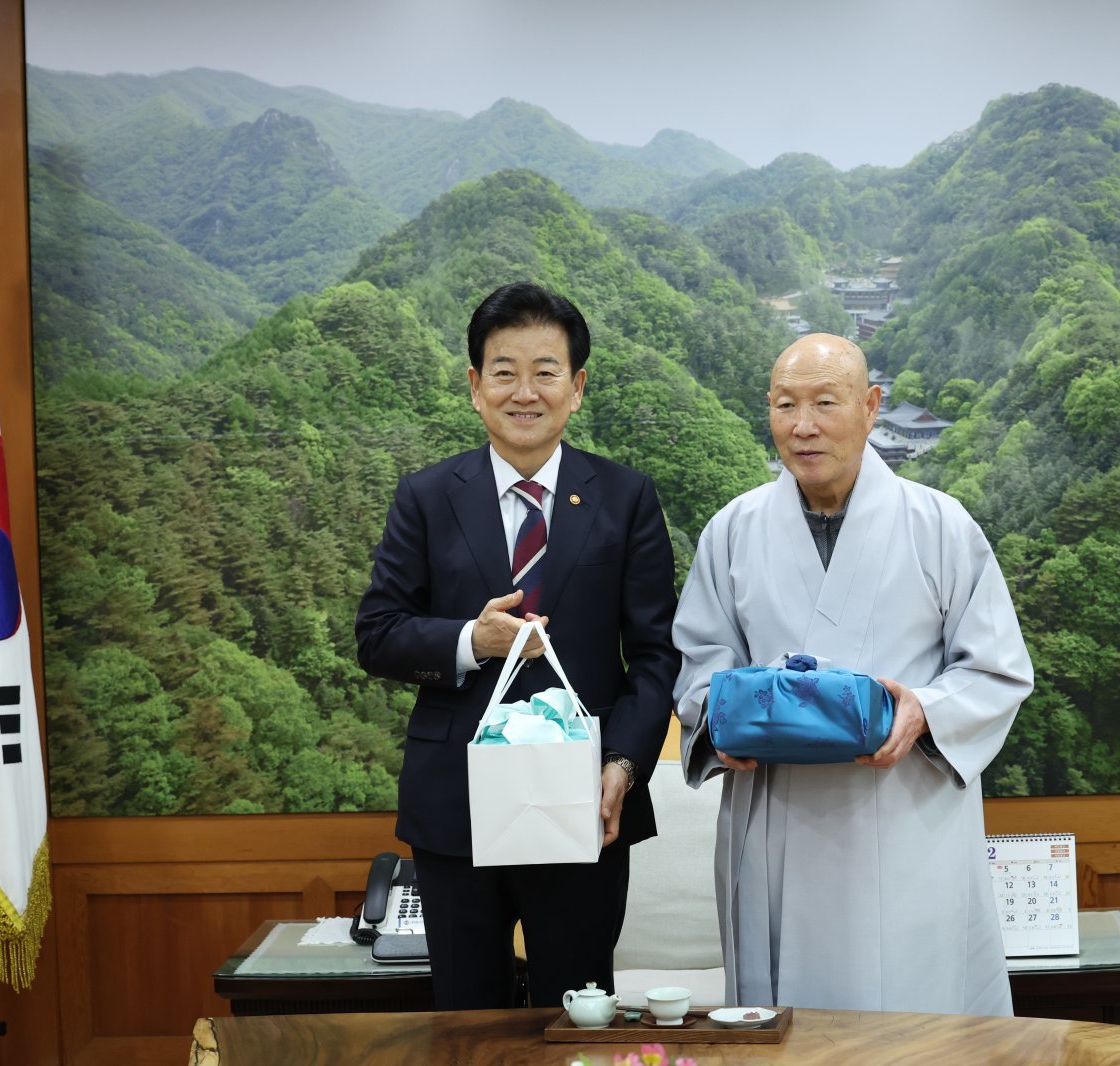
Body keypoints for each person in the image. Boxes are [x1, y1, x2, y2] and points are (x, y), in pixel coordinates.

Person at [672, 332, 1034, 1015]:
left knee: (914, 1028)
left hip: (905, 816)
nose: (802, 426)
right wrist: (722, 720)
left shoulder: (940, 526)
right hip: (776, 815)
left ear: (870, 408)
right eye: (785, 405)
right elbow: (700, 664)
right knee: (787, 1031)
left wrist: (924, 711)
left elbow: (996, 670)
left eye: (825, 403)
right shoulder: (733, 531)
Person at [357, 282, 680, 1010]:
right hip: (457, 806)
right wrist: (471, 639)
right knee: (467, 1021)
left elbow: (657, 654)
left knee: (578, 1016)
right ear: (475, 387)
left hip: (585, 803)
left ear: (577, 387)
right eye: (504, 372)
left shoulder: (626, 497)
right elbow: (378, 633)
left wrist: (624, 764)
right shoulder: (426, 497)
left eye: (545, 372)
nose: (524, 392)